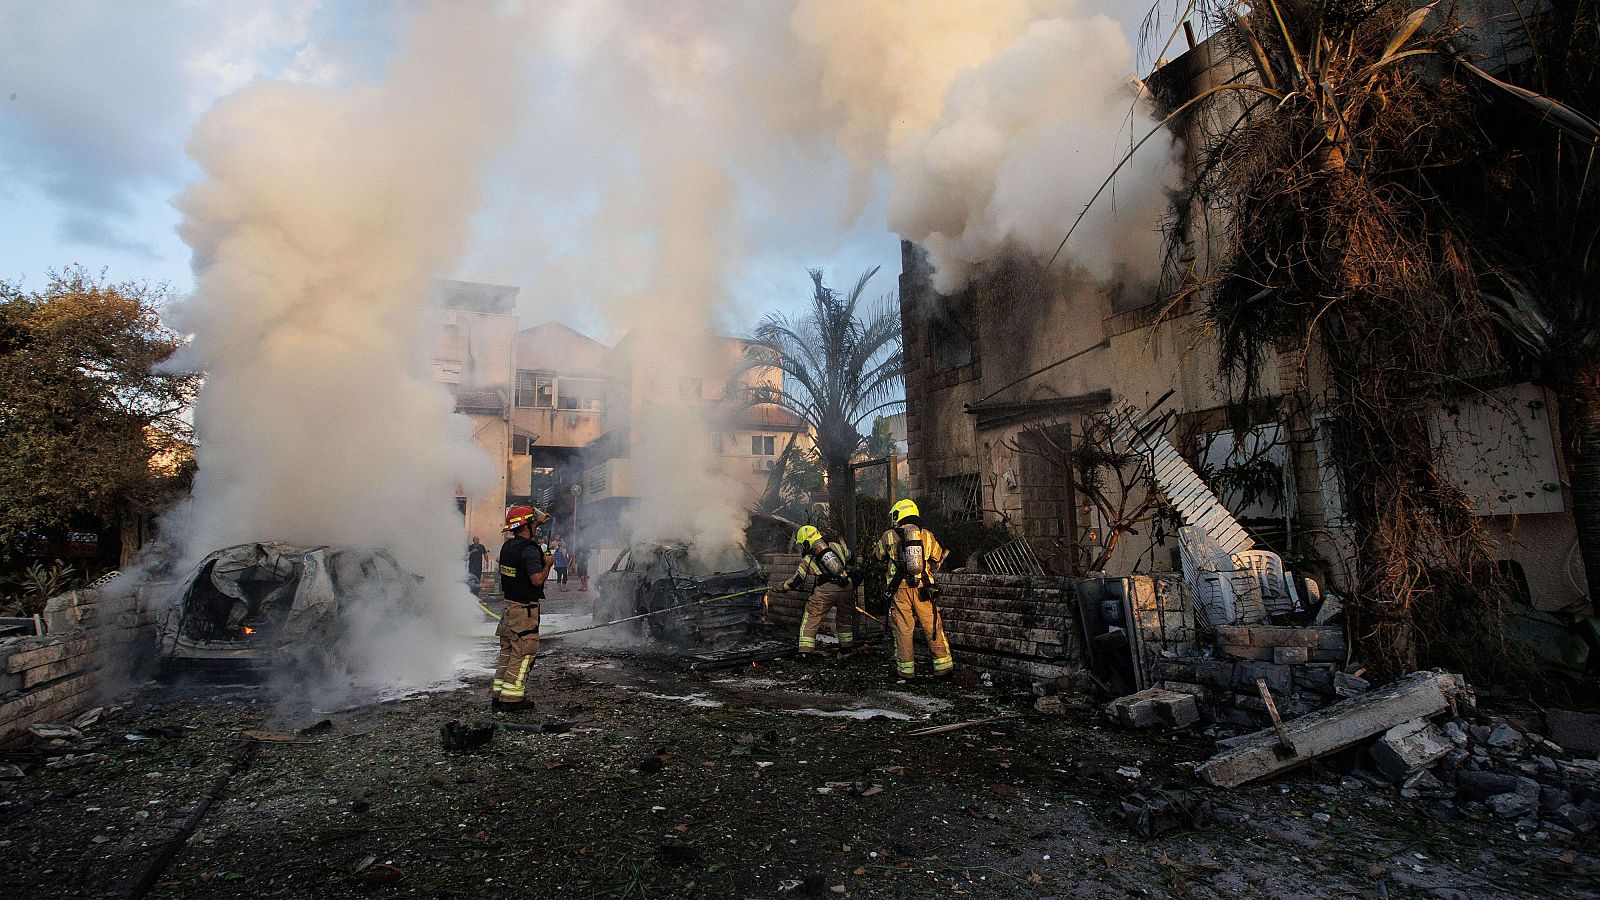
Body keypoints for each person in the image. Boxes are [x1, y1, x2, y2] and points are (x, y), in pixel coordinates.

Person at [874, 499, 953, 679]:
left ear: (898, 515)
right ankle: (943, 667)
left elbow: (877, 556)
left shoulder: (888, 536)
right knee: (931, 625)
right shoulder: (926, 535)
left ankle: (906, 671)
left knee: (903, 628)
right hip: (924, 588)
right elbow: (938, 556)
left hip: (899, 589)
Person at [493, 505, 553, 711]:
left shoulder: (508, 547)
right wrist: (548, 565)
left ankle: (498, 695)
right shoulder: (529, 550)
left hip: (509, 608)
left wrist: (537, 520)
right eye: (533, 525)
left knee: (507, 652)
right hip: (525, 610)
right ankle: (512, 700)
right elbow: (536, 580)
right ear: (527, 526)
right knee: (524, 652)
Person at [783, 525, 858, 657]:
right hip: (846, 587)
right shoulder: (836, 546)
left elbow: (796, 581)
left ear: (806, 542)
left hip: (825, 591)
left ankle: (805, 652)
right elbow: (852, 559)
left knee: (812, 616)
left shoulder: (808, 559)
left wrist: (780, 587)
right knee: (844, 618)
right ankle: (847, 648)